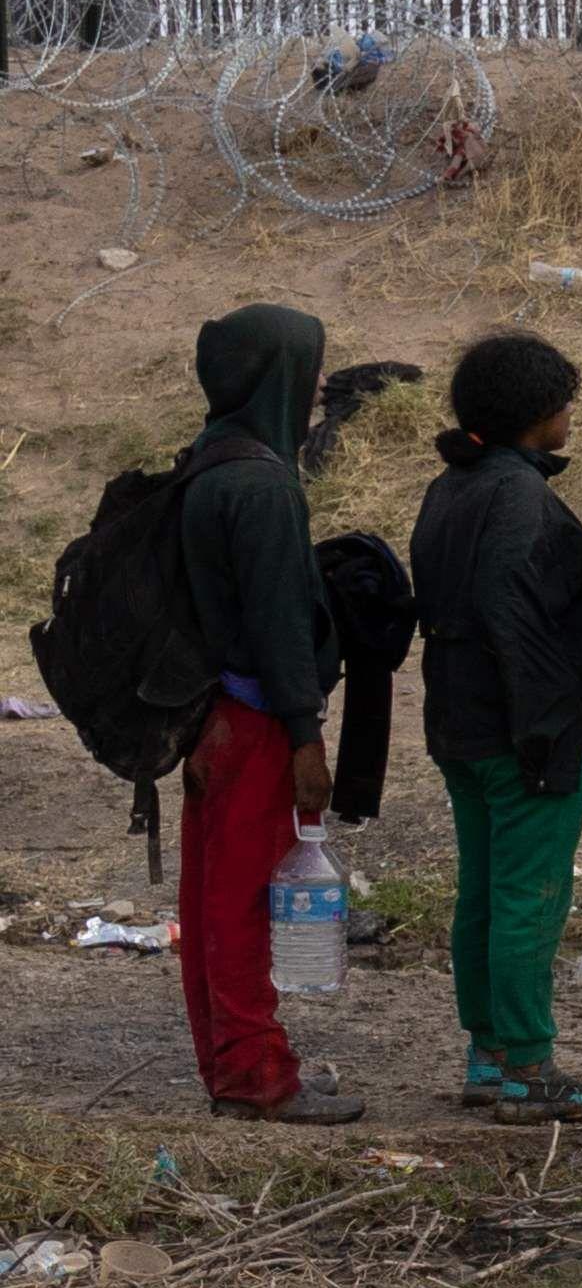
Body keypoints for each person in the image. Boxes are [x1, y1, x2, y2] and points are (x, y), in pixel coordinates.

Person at [410, 329, 582, 1128]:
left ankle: (488, 1058)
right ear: (540, 414)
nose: (571, 414)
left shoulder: (449, 488)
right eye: (565, 402)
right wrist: (548, 731)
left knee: (485, 894)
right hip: (520, 731)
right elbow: (516, 621)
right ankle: (529, 1068)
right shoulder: (519, 498)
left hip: (458, 724)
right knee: (530, 897)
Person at [165, 301, 349, 1122]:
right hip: (256, 722)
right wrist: (307, 740)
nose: (316, 391)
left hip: (208, 721)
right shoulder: (265, 486)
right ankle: (259, 1078)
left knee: (211, 902)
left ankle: (232, 1067)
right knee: (244, 906)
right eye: (307, 373)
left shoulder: (205, 464)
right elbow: (278, 630)